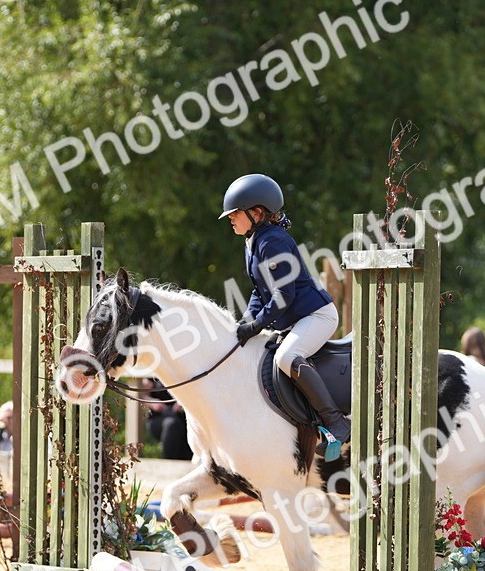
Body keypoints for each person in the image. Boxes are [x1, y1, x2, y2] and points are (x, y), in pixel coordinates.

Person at [221, 173, 346, 458]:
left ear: (256, 212)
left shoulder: (273, 241)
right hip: (296, 317)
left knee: (286, 357)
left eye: (235, 213)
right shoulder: (253, 241)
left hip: (317, 315)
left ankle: (337, 424)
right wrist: (247, 320)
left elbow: (283, 296)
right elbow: (260, 291)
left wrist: (257, 325)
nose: (230, 218)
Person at [140, 378, 193, 460]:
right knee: (172, 424)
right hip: (159, 417)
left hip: (183, 416)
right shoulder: (152, 373)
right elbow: (137, 393)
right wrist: (152, 402)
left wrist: (182, 402)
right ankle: (168, 463)